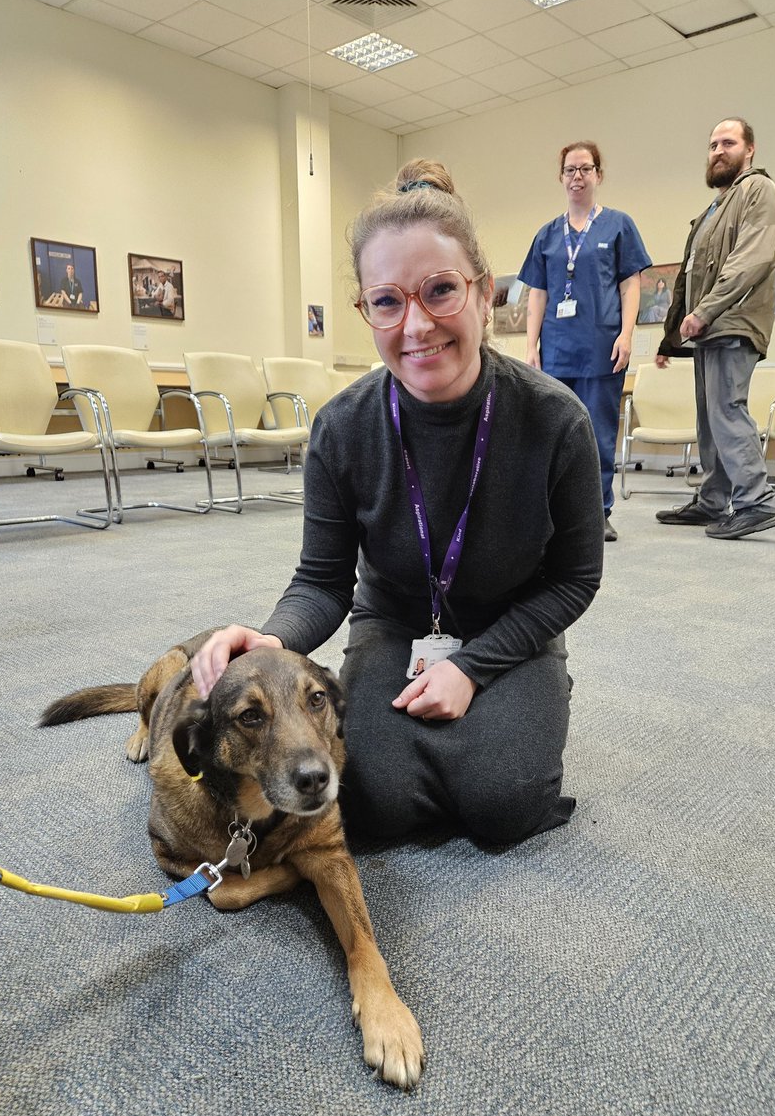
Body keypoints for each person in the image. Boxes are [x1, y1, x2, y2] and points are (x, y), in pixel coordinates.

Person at [191, 160, 604, 846]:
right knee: (371, 808)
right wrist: (273, 638)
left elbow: (575, 579)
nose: (416, 325)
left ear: (482, 294)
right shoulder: (342, 428)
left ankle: (536, 693)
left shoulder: (556, 421)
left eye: (440, 290)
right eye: (387, 301)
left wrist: (472, 668)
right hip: (394, 623)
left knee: (502, 808)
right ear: (367, 311)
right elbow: (323, 582)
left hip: (513, 623)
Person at [655, 118, 775, 540]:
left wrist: (707, 311)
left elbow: (752, 259)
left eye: (728, 142)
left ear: (750, 149)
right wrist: (671, 336)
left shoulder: (758, 191)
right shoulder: (712, 209)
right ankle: (713, 500)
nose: (718, 150)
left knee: (727, 409)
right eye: (712, 144)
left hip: (732, 321)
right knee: (709, 418)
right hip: (708, 327)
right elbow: (689, 278)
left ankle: (757, 502)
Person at [519, 141, 651, 544]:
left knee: (598, 433)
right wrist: (530, 347)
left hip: (602, 348)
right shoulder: (547, 235)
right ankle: (555, 514)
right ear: (561, 177)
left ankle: (598, 513)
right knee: (555, 434)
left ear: (598, 175)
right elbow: (537, 294)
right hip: (557, 351)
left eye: (585, 169)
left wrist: (627, 335)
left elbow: (631, 285)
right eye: (571, 170)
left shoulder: (618, 225)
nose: (578, 176)